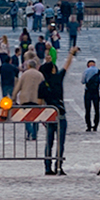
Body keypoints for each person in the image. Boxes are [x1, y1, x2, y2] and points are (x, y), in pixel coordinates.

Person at [38, 44, 77, 175]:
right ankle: (59, 165)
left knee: (48, 142)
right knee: (60, 143)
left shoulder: (42, 85)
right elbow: (67, 65)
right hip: (60, 113)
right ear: (53, 70)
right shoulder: (58, 79)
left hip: (49, 115)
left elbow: (40, 102)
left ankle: (47, 167)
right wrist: (71, 53)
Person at [14, 50, 44, 142]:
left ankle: (29, 132)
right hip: (36, 98)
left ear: (29, 66)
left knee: (26, 118)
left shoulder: (24, 74)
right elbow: (43, 87)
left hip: (25, 98)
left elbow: (18, 87)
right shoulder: (40, 75)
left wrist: (13, 97)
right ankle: (34, 134)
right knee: (36, 117)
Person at [81, 58, 100, 133]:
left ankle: (88, 126)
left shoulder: (86, 71)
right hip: (96, 92)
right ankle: (96, 126)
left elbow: (83, 81)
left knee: (87, 110)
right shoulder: (99, 71)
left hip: (88, 91)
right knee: (97, 109)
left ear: (88, 65)